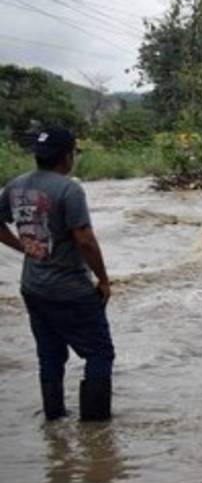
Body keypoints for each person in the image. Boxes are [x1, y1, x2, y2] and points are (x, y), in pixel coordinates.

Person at [0, 127, 114, 422]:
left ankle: (54, 419)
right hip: (70, 288)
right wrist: (102, 280)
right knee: (100, 353)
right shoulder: (69, 189)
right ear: (66, 156)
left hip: (33, 287)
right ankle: (95, 427)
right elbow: (85, 239)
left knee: (49, 356)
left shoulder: (16, 186)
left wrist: (23, 247)